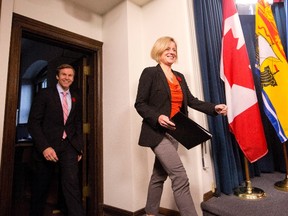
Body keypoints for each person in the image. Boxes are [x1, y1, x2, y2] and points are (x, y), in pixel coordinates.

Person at [134, 36, 227, 216]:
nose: (172, 52)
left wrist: (214, 107)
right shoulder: (150, 73)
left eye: (174, 49)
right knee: (180, 176)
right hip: (156, 132)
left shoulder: (179, 77)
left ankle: (150, 213)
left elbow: (191, 101)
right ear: (159, 51)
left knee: (158, 176)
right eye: (167, 48)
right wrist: (158, 116)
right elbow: (140, 103)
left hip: (175, 133)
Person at [28, 64, 85, 216]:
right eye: (64, 74)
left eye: (70, 75)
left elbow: (77, 122)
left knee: (72, 185)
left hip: (69, 147)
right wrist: (44, 147)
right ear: (57, 76)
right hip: (47, 147)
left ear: (73, 78)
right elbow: (33, 123)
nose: (67, 77)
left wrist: (78, 147)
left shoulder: (76, 96)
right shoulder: (45, 94)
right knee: (41, 186)